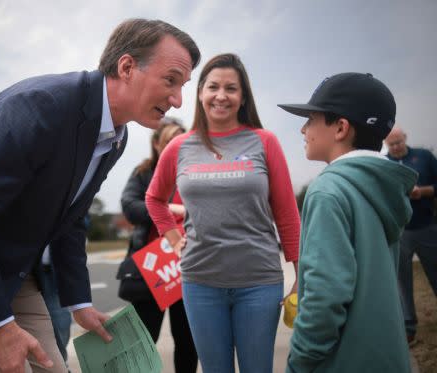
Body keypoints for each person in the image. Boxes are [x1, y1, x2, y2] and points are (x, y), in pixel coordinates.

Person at [0, 18, 199, 373]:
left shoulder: (116, 136)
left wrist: (80, 304)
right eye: (171, 80)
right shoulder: (38, 108)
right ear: (126, 67)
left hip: (8, 269)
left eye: (183, 86)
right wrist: (0, 327)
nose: (178, 100)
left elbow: (72, 219)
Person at [146, 53, 300, 373]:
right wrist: (174, 241)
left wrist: (302, 275)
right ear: (200, 92)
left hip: (259, 281)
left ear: (243, 97)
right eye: (213, 86)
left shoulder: (264, 141)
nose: (221, 95)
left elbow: (286, 213)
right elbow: (154, 200)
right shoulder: (180, 147)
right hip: (200, 282)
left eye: (231, 88)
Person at [278, 72, 417, 372]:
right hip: (385, 355)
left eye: (311, 119)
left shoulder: (328, 190)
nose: (303, 129)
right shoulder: (382, 186)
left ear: (340, 127)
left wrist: (299, 361)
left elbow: (325, 297)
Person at [118, 118, 198, 373]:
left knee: (188, 342)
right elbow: (130, 207)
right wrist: (169, 208)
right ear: (156, 144)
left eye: (182, 141)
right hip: (153, 269)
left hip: (188, 268)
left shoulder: (195, 174)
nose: (177, 147)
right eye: (170, 141)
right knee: (143, 341)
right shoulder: (145, 172)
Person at [385, 126, 437, 345]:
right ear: (386, 144)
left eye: (399, 142)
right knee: (402, 281)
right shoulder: (384, 165)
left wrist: (422, 192)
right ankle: (408, 326)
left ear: (405, 138)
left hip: (426, 226)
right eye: (391, 144)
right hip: (400, 231)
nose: (396, 147)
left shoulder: (424, 157)